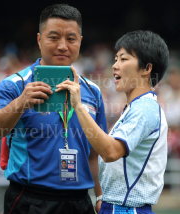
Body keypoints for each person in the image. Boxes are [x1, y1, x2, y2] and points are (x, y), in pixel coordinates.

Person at [0, 4, 107, 214]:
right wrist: (21, 102)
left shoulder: (92, 91)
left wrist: (100, 195)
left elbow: (94, 154)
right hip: (29, 200)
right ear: (40, 40)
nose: (62, 46)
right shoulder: (15, 84)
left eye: (70, 38)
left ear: (80, 42)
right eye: (54, 37)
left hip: (79, 202)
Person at [56, 30, 169, 214]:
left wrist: (77, 105)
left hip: (128, 209)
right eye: (116, 59)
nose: (115, 65)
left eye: (124, 59)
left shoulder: (145, 108)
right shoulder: (136, 107)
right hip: (115, 206)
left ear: (147, 68)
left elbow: (110, 151)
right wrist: (102, 198)